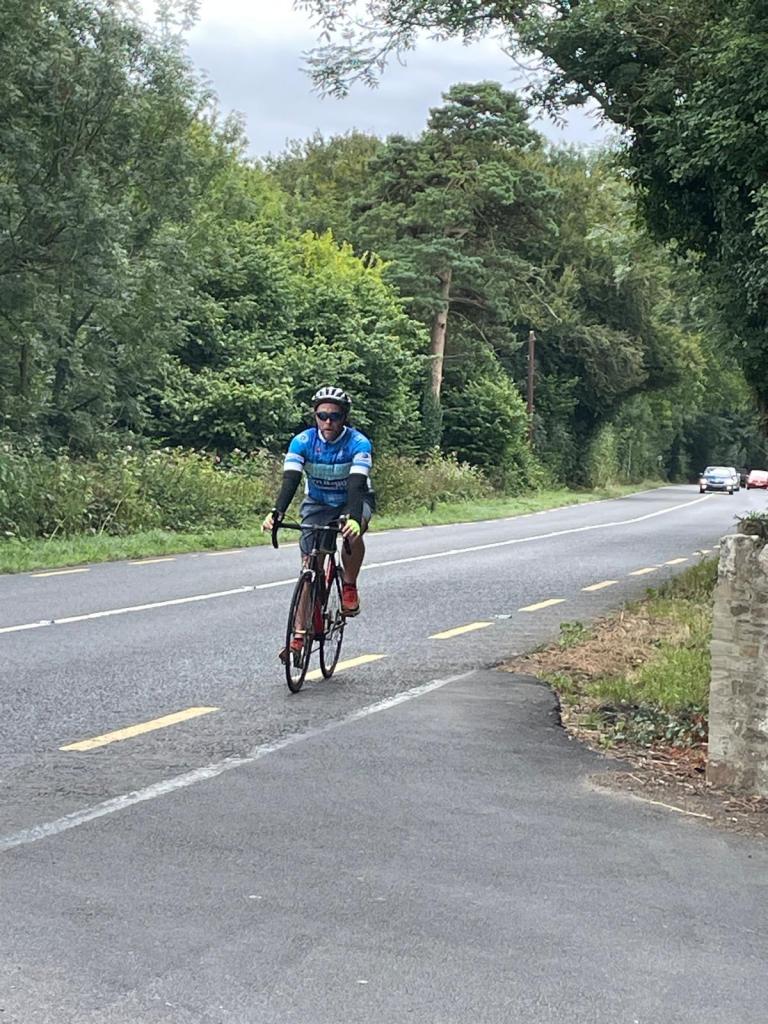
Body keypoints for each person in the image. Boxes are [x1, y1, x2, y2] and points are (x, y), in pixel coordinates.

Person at [262, 387, 374, 651]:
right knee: (308, 567)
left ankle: (349, 584)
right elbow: (291, 479)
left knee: (352, 532)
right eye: (322, 415)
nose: (328, 422)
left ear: (344, 418)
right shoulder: (302, 441)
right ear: (315, 416)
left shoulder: (358, 443)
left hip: (353, 499)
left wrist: (354, 519)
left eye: (335, 416)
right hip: (318, 501)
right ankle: (299, 635)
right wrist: (277, 512)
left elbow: (357, 484)